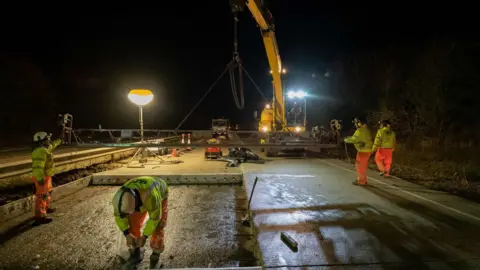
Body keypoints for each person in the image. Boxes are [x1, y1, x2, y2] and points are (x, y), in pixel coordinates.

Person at [112, 176, 168, 267]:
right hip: (138, 196)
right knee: (132, 223)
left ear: (136, 204)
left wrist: (145, 237)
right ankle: (136, 250)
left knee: (158, 225)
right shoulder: (119, 198)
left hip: (159, 192)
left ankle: (155, 255)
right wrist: (127, 234)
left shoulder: (152, 197)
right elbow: (119, 216)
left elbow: (154, 219)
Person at [31, 132, 63, 225]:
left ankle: (45, 208)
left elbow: (52, 145)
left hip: (46, 176)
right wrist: (40, 178)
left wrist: (60, 140)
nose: (49, 141)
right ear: (42, 141)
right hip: (42, 177)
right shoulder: (40, 151)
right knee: (41, 196)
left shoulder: (44, 149)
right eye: (47, 139)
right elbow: (38, 167)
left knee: (47, 193)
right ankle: (39, 217)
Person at [344, 117, 373, 186]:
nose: (355, 125)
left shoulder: (360, 131)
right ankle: (364, 180)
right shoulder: (365, 130)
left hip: (363, 151)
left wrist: (345, 139)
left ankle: (361, 181)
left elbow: (354, 139)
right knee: (363, 166)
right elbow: (357, 138)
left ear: (359, 123)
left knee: (359, 166)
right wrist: (348, 138)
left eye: (356, 123)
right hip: (367, 150)